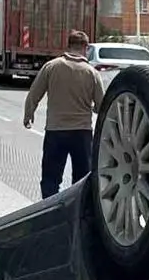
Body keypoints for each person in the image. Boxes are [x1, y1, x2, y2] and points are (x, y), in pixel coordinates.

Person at [23, 30, 103, 198]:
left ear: (68, 45)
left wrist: (28, 114)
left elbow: (34, 93)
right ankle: (78, 215)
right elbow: (101, 105)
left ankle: (49, 212)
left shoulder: (52, 66)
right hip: (82, 133)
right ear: (86, 47)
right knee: (82, 180)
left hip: (56, 130)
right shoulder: (91, 73)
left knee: (50, 179)